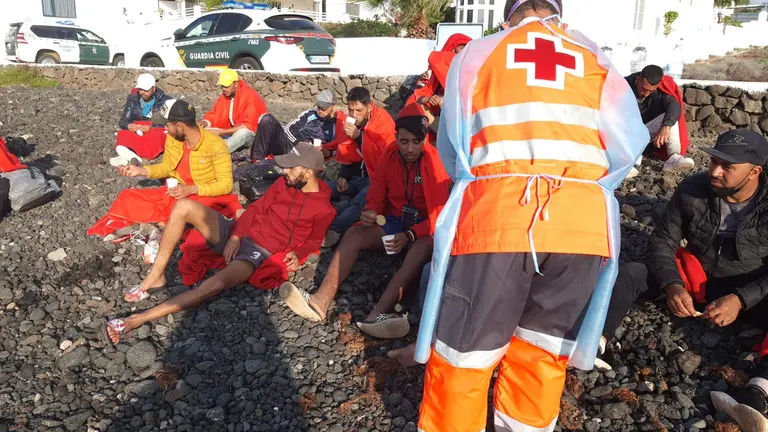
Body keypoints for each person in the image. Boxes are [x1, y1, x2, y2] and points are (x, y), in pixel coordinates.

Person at [416, 1, 648, 431]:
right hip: (581, 226)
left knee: (465, 354)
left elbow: (454, 146)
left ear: (509, 18)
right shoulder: (596, 60)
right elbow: (629, 144)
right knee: (543, 354)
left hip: (497, 218)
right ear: (559, 16)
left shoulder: (479, 54)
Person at [602, 129, 768, 429]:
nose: (715, 171)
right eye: (714, 161)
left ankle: (758, 391)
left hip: (752, 288)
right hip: (698, 279)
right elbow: (662, 242)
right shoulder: (693, 189)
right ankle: (595, 342)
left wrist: (740, 299)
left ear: (755, 171)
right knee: (631, 272)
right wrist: (672, 285)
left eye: (727, 166)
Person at [105, 143, 335, 343]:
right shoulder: (283, 184)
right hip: (239, 233)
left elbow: (314, 240)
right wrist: (234, 236)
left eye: (291, 168)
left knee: (214, 285)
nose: (284, 171)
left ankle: (135, 320)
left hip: (257, 253)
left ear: (307, 172)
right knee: (183, 206)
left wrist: (297, 252)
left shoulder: (324, 209)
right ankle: (155, 276)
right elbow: (255, 209)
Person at [279, 104, 450, 329]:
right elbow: (376, 195)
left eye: (416, 142)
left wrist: (410, 235)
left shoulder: (434, 162)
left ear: (424, 139)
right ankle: (320, 301)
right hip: (396, 222)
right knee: (354, 233)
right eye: (404, 141)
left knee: (419, 249)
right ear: (396, 137)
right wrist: (370, 212)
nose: (410, 148)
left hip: (424, 228)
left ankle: (377, 315)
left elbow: (441, 216)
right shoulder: (388, 156)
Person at [87, 99, 237, 238]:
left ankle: (161, 223)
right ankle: (161, 223)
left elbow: (225, 185)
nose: (165, 129)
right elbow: (166, 167)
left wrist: (192, 189)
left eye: (167, 125)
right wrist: (141, 171)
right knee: (127, 196)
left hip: (201, 194)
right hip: (175, 191)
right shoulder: (174, 138)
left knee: (187, 210)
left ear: (179, 126)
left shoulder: (216, 145)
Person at [321, 87, 395, 247]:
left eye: (358, 110)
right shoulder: (349, 122)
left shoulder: (383, 122)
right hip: (355, 176)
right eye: (350, 110)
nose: (354, 115)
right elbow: (348, 151)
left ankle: (335, 230)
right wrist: (343, 176)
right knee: (325, 189)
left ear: (369, 106)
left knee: (360, 202)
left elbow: (384, 159)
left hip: (375, 180)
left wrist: (358, 136)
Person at [626, 65, 694, 177]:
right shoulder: (623, 85)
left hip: (644, 131)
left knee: (669, 118)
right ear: (638, 79)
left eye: (650, 91)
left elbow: (674, 106)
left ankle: (673, 158)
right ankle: (624, 164)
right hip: (623, 131)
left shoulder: (659, 92)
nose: (646, 93)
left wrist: (666, 126)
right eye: (643, 89)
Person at [243, 89, 342, 162]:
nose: (320, 111)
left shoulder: (337, 124)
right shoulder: (309, 114)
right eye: (319, 107)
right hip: (291, 146)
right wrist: (299, 143)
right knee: (267, 119)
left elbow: (340, 150)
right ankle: (256, 160)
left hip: (309, 155)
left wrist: (328, 153)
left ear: (333, 107)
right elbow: (289, 130)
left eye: (324, 108)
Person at [200, 68, 269, 154]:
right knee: (204, 130)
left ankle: (218, 152)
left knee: (242, 133)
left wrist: (222, 132)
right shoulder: (226, 95)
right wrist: (205, 123)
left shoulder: (249, 96)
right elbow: (215, 114)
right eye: (222, 86)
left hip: (254, 135)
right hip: (232, 131)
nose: (223, 89)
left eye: (226, 86)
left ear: (236, 84)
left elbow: (248, 126)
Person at [112, 73, 172, 165]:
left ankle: (130, 156)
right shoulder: (132, 99)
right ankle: (135, 158)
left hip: (155, 130)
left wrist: (153, 127)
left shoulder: (166, 100)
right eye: (141, 90)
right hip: (137, 129)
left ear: (154, 89)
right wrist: (129, 126)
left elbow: (170, 122)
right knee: (122, 134)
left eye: (146, 90)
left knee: (162, 135)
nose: (143, 92)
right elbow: (123, 120)